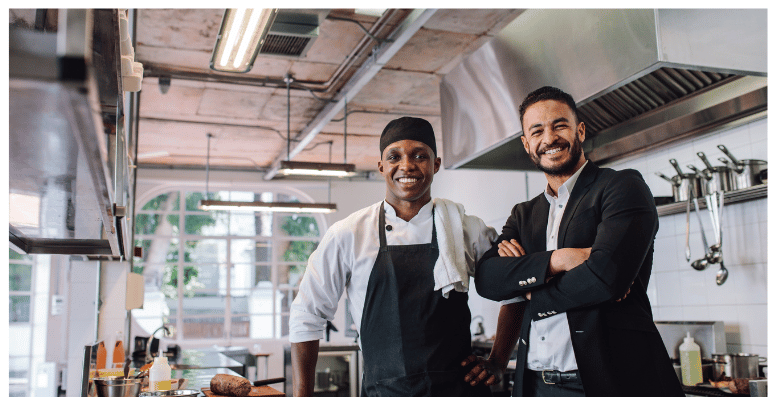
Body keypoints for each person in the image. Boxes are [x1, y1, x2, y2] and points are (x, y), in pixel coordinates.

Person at [289, 116, 525, 397]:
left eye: (419, 156)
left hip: (459, 391)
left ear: (436, 164)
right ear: (381, 167)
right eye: (394, 156)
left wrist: (498, 360)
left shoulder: (466, 228)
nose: (407, 165)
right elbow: (307, 314)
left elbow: (514, 290)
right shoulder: (349, 234)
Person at [474, 86, 684, 397]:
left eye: (559, 125)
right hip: (534, 385)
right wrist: (557, 261)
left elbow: (605, 278)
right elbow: (487, 279)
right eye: (537, 131)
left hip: (612, 381)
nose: (549, 138)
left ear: (580, 131)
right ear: (526, 143)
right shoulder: (524, 214)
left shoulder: (622, 187)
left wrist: (530, 291)